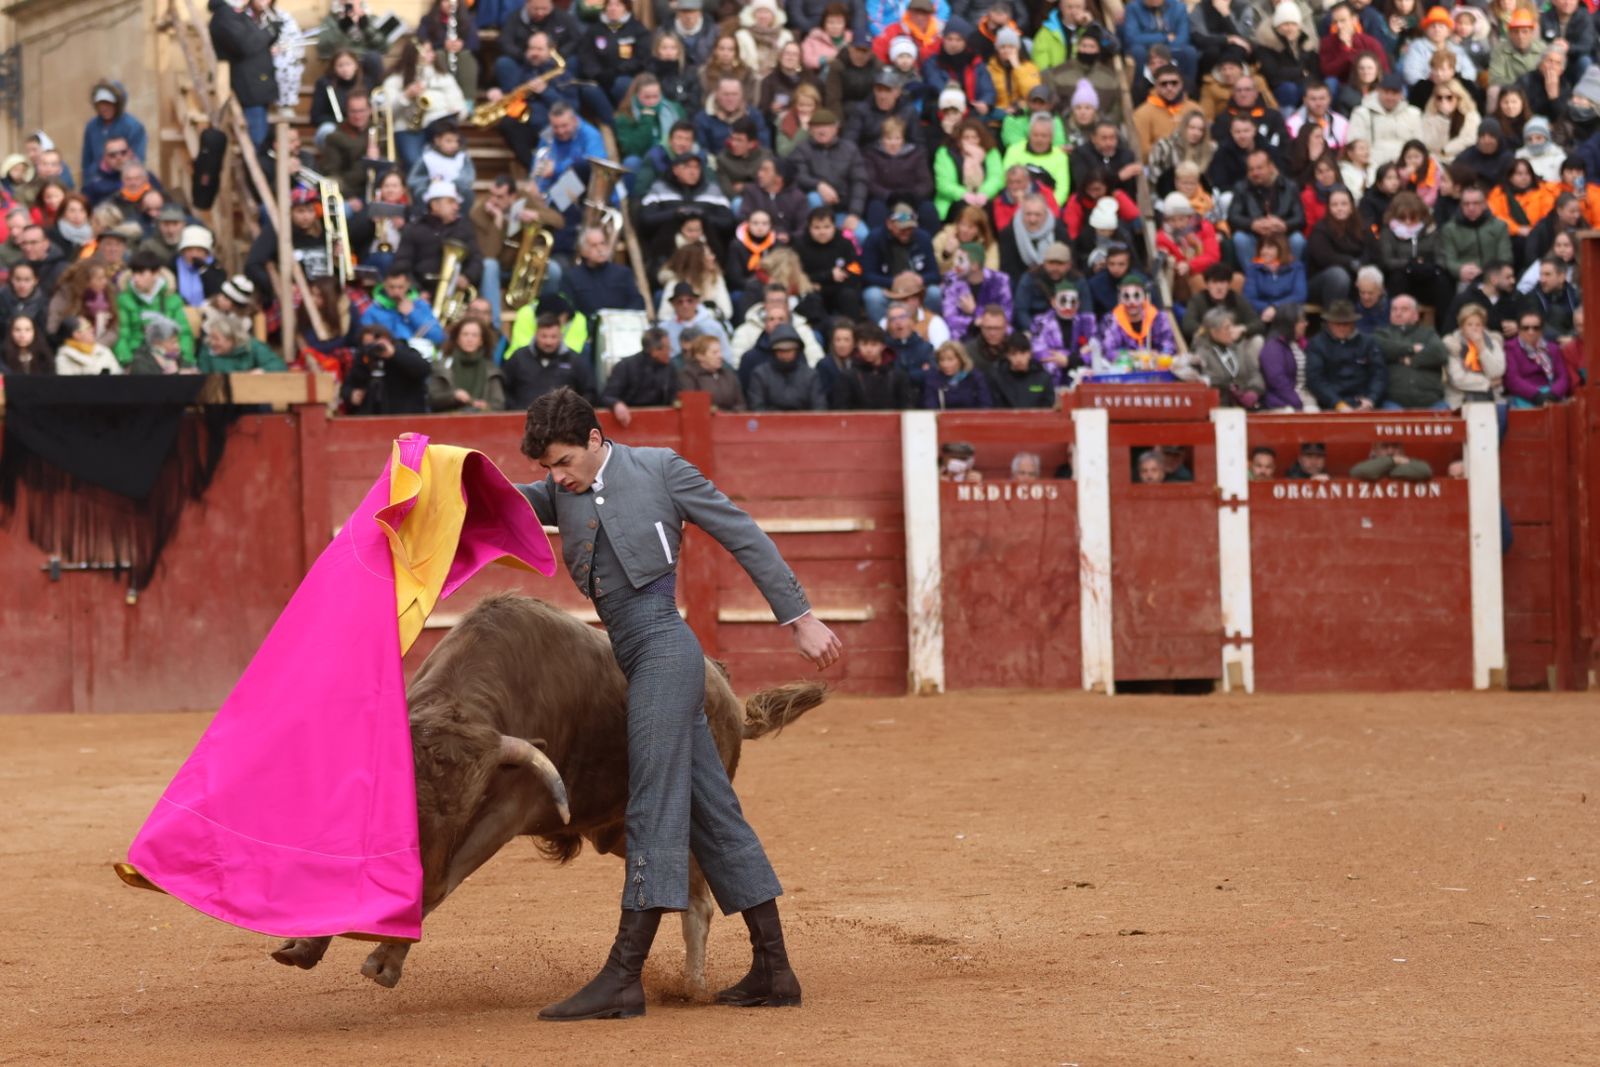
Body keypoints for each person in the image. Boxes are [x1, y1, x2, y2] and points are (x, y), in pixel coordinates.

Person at [514, 384, 840, 1021]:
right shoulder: (559, 491)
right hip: (635, 656)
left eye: (564, 463)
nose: (557, 479)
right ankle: (775, 967)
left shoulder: (660, 468)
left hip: (664, 647)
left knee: (654, 800)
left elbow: (740, 532)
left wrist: (798, 617)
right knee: (713, 812)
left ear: (595, 440)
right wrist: (434, 479)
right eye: (547, 469)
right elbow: (499, 507)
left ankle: (623, 975)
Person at [208, 0, 278, 150]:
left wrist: (271, 32)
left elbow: (254, 40)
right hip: (249, 87)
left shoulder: (235, 14)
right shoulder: (225, 16)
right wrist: (269, 32)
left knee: (263, 140)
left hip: (257, 85)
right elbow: (245, 45)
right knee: (257, 142)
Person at [114, 250, 194, 368]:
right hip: (137, 356)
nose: (136, 279)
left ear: (155, 274)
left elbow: (184, 333)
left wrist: (186, 361)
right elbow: (122, 335)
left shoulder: (172, 300)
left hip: (170, 355)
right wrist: (126, 362)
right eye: (134, 273)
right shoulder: (124, 300)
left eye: (141, 274)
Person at [503, 312, 597, 408]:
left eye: (553, 337)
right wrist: (515, 410)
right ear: (536, 334)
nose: (548, 342)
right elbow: (503, 388)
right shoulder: (518, 357)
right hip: (522, 419)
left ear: (560, 335)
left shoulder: (575, 360)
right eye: (544, 336)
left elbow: (589, 392)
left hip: (564, 420)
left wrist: (573, 412)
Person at [1306, 299, 1386, 410]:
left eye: (1346, 323)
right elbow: (1315, 379)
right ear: (1329, 323)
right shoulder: (1317, 343)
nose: (1341, 328)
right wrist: (1337, 403)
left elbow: (1379, 374)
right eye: (1337, 323)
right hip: (1330, 405)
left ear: (1353, 323)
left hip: (1365, 402)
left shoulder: (1368, 342)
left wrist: (1371, 399)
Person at [1228, 148, 1306, 263]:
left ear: (1271, 167)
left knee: (1298, 240)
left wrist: (1283, 225)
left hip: (1282, 236)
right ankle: (1254, 275)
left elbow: (1300, 219)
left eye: (1259, 168)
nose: (1255, 173)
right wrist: (1252, 224)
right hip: (1255, 236)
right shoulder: (1241, 188)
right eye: (1251, 169)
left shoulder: (1290, 186)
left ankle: (1289, 275)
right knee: (1240, 238)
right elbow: (1233, 217)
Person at [1176, 307, 1264, 407]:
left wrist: (1254, 391)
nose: (1231, 331)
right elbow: (1206, 379)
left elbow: (1254, 373)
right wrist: (1230, 388)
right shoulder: (1201, 353)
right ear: (1213, 332)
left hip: (1245, 406)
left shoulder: (1238, 348)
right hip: (1219, 406)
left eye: (1232, 326)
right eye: (1226, 328)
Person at [1373, 293, 1448, 409]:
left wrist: (1410, 360)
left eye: (1404, 309)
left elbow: (1440, 354)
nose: (1398, 313)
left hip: (1430, 400)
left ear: (1416, 315)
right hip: (1394, 401)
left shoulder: (1428, 333)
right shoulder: (1382, 334)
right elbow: (1382, 347)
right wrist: (1411, 348)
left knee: (1448, 418)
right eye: (1394, 309)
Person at [600, 327, 679, 427]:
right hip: (626, 424)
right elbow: (607, 396)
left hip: (661, 423)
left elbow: (675, 395)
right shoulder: (625, 366)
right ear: (654, 351)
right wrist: (616, 404)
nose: (670, 351)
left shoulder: (670, 368)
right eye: (667, 348)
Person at [1440, 184, 1513, 289]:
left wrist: (1485, 272)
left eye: (1476, 203)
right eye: (1466, 204)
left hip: (1495, 277)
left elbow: (1505, 257)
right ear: (1461, 206)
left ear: (1484, 204)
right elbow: (1449, 260)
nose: (1471, 208)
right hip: (1465, 278)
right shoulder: (1450, 229)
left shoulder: (1499, 226)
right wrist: (1460, 269)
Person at [428, 318, 507, 413]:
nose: (469, 339)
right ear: (457, 339)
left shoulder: (491, 369)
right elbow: (433, 399)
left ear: (481, 340)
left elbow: (499, 404)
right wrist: (454, 396)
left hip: (481, 422)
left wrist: (485, 406)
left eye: (474, 335)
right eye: (465, 334)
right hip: (448, 422)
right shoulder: (443, 366)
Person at [1441, 302, 1506, 409]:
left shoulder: (1493, 342)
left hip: (1491, 398)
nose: (1474, 329)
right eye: (1469, 324)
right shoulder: (1452, 344)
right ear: (1462, 327)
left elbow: (1497, 372)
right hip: (1461, 399)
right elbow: (1458, 379)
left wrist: (1481, 347)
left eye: (1478, 324)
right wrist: (1488, 383)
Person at [196, 309, 285, 373]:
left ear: (231, 338)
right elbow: (203, 375)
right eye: (210, 337)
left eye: (216, 338)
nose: (212, 342)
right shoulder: (207, 350)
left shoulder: (253, 346)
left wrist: (262, 371)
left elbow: (279, 366)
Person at [988, 329, 1055, 407]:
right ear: (1007, 355)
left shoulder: (1043, 378)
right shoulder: (998, 378)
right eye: (1013, 354)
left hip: (1036, 418)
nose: (1019, 359)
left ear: (1030, 353)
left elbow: (1047, 407)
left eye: (1023, 353)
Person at [923, 340, 992, 408]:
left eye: (950, 359)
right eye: (942, 360)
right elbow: (930, 406)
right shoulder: (934, 378)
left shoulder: (975, 377)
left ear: (961, 359)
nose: (945, 364)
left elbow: (985, 405)